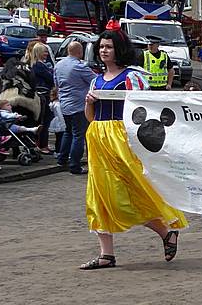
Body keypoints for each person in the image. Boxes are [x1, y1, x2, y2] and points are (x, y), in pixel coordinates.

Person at [79, 29, 189, 269]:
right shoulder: (96, 79)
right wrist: (89, 104)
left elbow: (144, 110)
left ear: (119, 49)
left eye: (108, 46)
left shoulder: (132, 76)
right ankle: (106, 254)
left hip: (122, 138)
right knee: (99, 195)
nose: (104, 50)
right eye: (101, 47)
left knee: (129, 193)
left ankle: (165, 231)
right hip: (98, 138)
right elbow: (90, 117)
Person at [54, 41, 97, 175]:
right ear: (80, 52)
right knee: (78, 135)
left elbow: (56, 83)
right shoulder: (79, 67)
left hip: (64, 104)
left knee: (68, 132)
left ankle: (62, 159)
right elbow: (96, 81)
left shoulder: (58, 65)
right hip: (78, 105)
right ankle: (75, 165)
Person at [29, 43, 55, 154]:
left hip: (43, 94)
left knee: (45, 120)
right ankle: (42, 145)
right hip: (43, 95)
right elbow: (51, 78)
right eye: (44, 51)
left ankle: (42, 143)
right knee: (45, 120)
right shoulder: (38, 66)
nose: (46, 54)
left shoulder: (39, 64)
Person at [49, 87, 66, 156]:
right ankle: (59, 151)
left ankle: (58, 151)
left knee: (59, 138)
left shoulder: (53, 103)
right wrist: (64, 124)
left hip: (56, 122)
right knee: (60, 138)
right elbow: (60, 115)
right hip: (60, 122)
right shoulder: (57, 104)